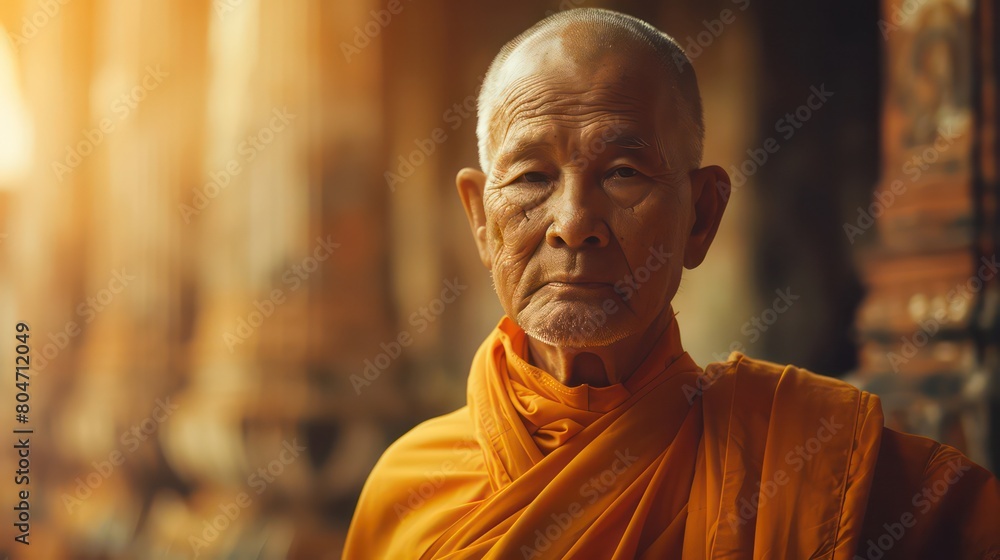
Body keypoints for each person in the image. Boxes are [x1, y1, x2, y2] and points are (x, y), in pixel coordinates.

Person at [344, 8, 999, 559]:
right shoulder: (409, 492)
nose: (573, 224)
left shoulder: (811, 459)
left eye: (623, 172)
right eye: (532, 177)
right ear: (482, 223)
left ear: (701, 216)